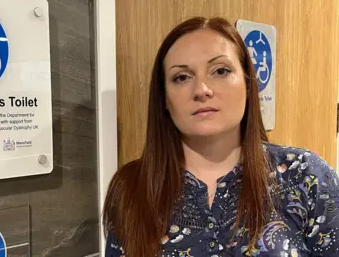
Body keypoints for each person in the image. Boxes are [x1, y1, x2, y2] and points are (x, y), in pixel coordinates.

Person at [102, 17, 339, 257]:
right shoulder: (132, 188)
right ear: (164, 97)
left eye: (220, 71)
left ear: (247, 84)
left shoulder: (305, 177)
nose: (202, 90)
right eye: (182, 77)